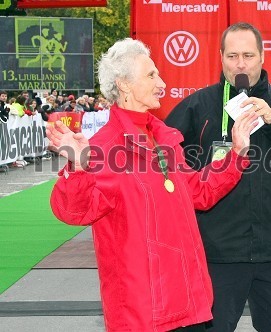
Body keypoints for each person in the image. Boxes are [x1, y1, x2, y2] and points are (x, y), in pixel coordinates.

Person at [47, 38, 258, 332]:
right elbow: (73, 211)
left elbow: (199, 192)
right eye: (150, 75)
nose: (162, 81)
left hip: (188, 302)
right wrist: (79, 166)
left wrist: (236, 153)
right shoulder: (103, 148)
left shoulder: (165, 139)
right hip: (142, 312)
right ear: (124, 85)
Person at [165, 22, 271, 332]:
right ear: (221, 57)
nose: (240, 64)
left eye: (248, 55)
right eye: (233, 55)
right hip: (217, 254)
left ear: (263, 57)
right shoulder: (198, 106)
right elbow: (165, 163)